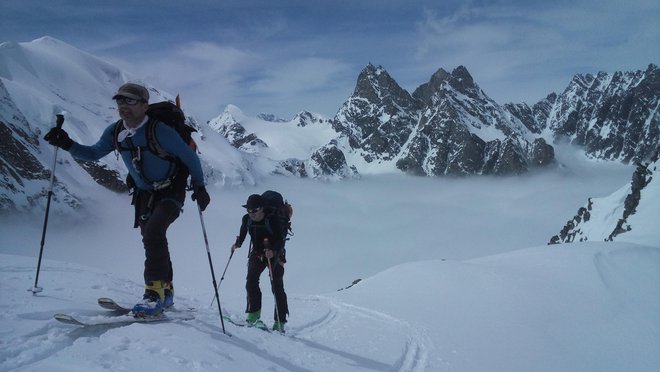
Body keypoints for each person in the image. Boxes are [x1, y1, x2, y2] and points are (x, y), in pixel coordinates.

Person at [44, 83, 210, 316]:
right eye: (120, 101)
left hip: (171, 191)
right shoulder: (115, 131)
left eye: (130, 101)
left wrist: (200, 186)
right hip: (143, 194)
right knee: (153, 238)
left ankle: (153, 294)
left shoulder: (160, 130)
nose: (123, 106)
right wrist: (67, 144)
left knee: (153, 234)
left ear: (144, 105)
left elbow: (189, 158)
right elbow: (92, 154)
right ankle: (167, 292)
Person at [232, 194, 289, 332]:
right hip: (257, 253)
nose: (252, 213)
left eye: (255, 210)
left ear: (262, 208)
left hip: (275, 254)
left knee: (276, 286)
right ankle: (253, 315)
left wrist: (274, 252)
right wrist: (237, 244)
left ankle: (280, 323)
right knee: (251, 281)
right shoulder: (247, 219)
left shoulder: (273, 219)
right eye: (249, 210)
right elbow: (243, 234)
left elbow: (280, 240)